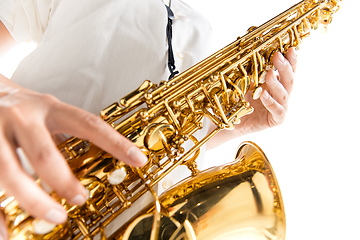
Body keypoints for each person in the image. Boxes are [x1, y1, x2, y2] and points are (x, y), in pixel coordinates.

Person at [0, 0, 297, 239]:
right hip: (29, 208)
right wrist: (6, 96)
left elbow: (163, 142)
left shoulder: (199, 27)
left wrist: (237, 121)